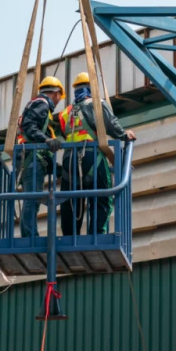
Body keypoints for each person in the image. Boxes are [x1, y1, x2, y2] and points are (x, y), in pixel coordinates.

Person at [56, 72, 135, 236]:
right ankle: (97, 235)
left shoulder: (65, 112)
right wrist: (124, 135)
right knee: (102, 198)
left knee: (71, 201)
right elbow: (111, 124)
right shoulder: (97, 103)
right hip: (92, 157)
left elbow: (65, 133)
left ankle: (70, 237)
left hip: (69, 160)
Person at [16, 76, 64, 238]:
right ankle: (29, 236)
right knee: (32, 199)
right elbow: (29, 126)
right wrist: (46, 140)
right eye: (59, 97)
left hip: (33, 158)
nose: (58, 101)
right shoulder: (41, 105)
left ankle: (30, 234)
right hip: (32, 159)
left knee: (33, 198)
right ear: (56, 93)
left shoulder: (37, 104)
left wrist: (57, 168)